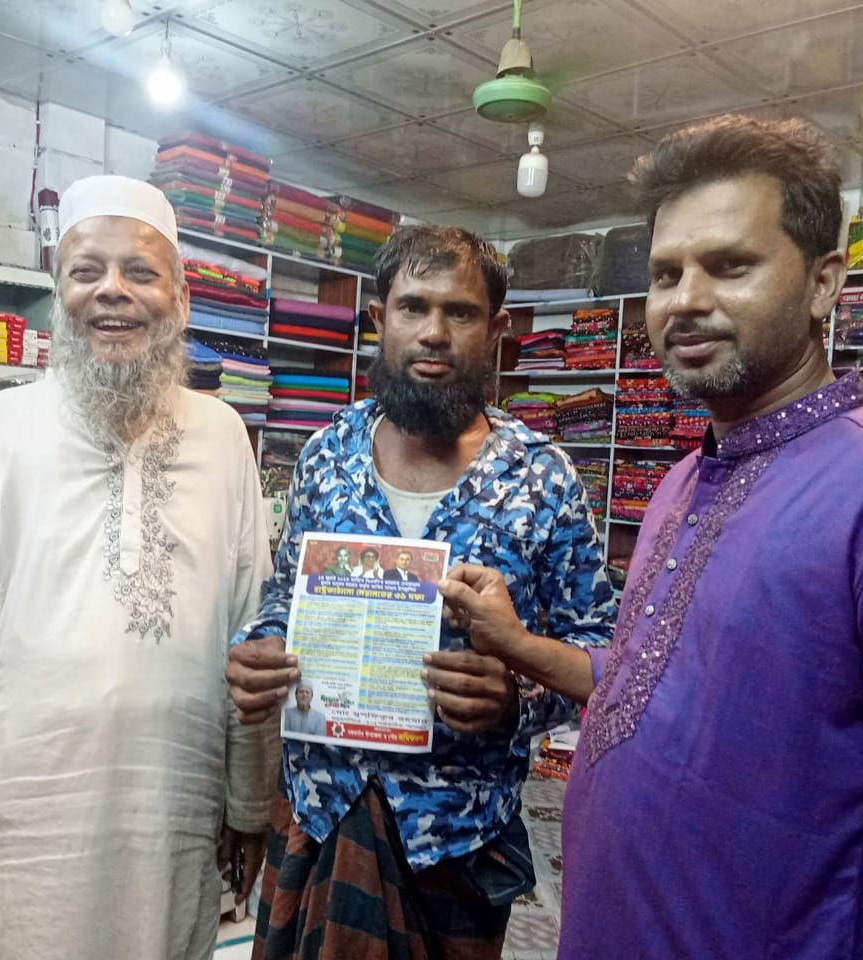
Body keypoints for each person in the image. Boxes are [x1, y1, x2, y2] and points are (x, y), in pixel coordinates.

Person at [439, 115, 863, 959]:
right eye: (666, 273)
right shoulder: (683, 481)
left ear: (824, 283)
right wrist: (514, 643)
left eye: (730, 266)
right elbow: (656, 686)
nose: (685, 300)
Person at [0, 175, 278, 959]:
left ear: (180, 297)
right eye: (86, 271)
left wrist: (249, 804)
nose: (112, 291)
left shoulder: (224, 436)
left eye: (140, 272)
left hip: (171, 825)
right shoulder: (4, 427)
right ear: (59, 292)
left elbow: (251, 635)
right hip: (25, 833)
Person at [226, 224, 616, 959]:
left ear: (496, 329)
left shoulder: (541, 477)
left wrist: (517, 699)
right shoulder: (326, 456)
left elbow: (600, 650)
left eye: (459, 312)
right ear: (381, 318)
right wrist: (262, 645)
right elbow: (285, 595)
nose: (434, 332)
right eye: (413, 307)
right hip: (322, 814)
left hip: (456, 843)